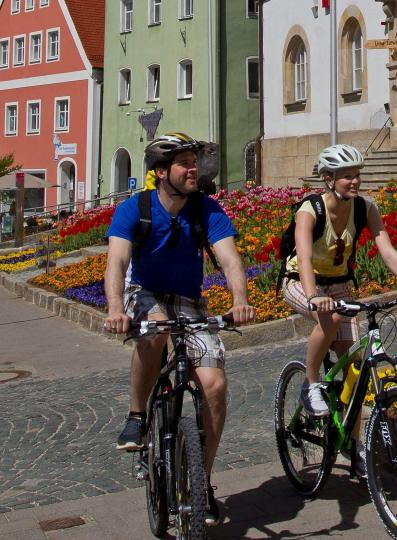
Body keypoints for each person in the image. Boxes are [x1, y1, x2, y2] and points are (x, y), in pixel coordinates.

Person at [103, 132, 255, 525]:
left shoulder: (207, 209)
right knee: (153, 330)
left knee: (215, 386)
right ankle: (138, 414)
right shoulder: (134, 209)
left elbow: (231, 261)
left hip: (189, 302)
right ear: (160, 172)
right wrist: (116, 308)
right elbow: (117, 263)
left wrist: (240, 300)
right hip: (146, 293)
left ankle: (200, 483)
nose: (194, 168)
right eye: (185, 162)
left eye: (195, 161)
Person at [280, 143, 397, 477]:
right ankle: (310, 384)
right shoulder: (310, 210)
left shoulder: (365, 207)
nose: (354, 181)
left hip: (338, 285)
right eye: (346, 176)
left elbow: (387, 250)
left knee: (355, 370)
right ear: (328, 179)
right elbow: (304, 256)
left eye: (356, 175)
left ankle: (355, 447)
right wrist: (311, 296)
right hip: (299, 281)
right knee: (331, 317)